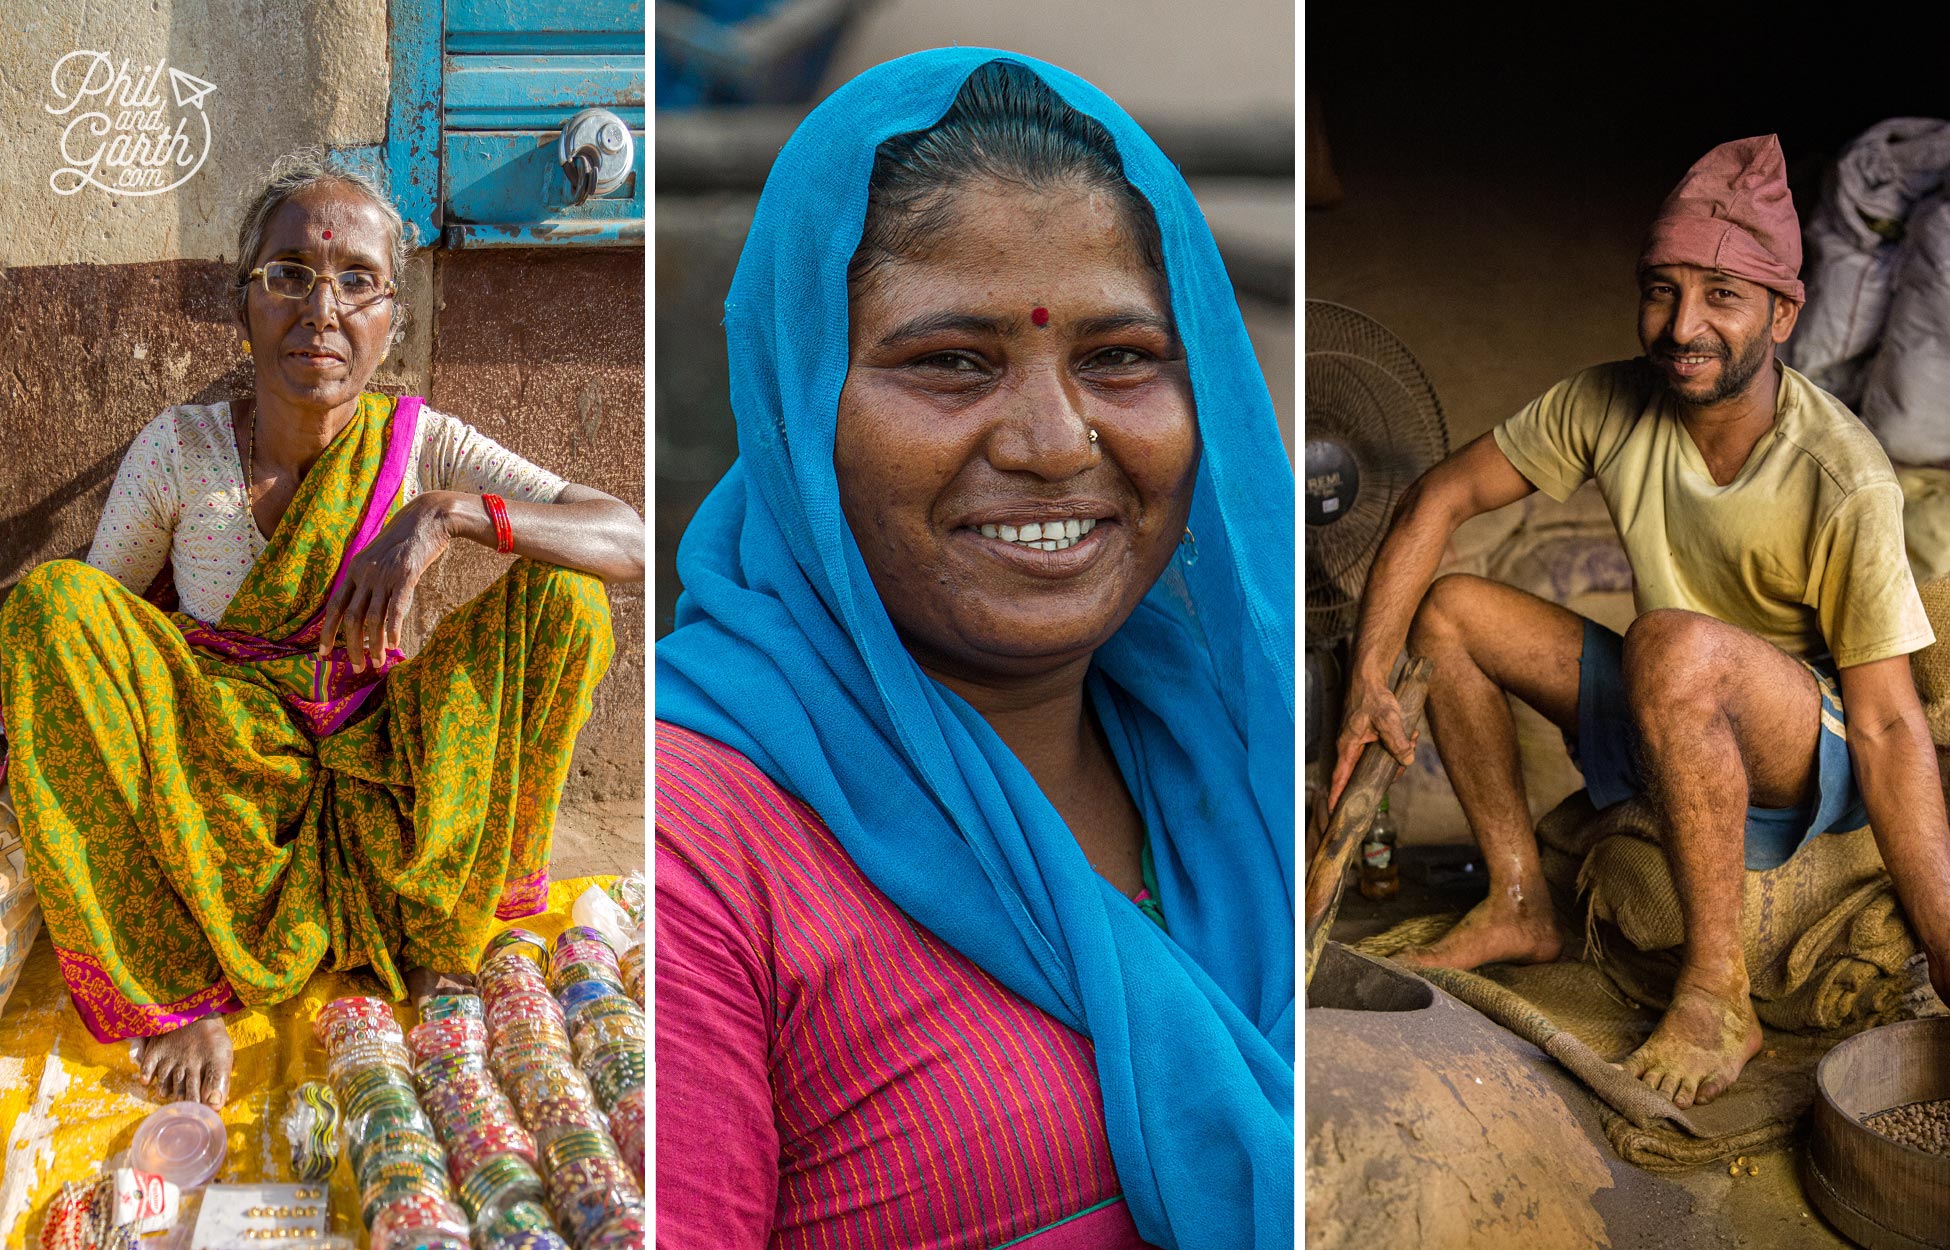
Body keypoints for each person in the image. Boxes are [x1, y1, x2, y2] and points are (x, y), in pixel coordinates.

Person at [656, 51, 1295, 1250]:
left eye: (1120, 357)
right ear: (802, 407)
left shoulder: (1241, 752)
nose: (1057, 442)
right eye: (952, 361)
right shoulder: (698, 844)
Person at [0, 150, 644, 1107]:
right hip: (222, 788)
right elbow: (91, 642)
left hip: (381, 770)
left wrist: (447, 514)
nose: (323, 309)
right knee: (47, 606)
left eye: (357, 282)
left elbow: (627, 536)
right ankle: (177, 985)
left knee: (568, 600)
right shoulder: (182, 452)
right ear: (245, 301)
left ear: (392, 317)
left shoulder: (423, 446)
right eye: (290, 275)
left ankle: (436, 933)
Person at [1330, 135, 1950, 1111]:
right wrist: (1370, 675)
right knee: (1449, 610)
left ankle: (1717, 993)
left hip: (1802, 741)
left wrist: (1946, 943)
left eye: (1722, 295)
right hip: (1673, 691)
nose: (1682, 324)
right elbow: (1436, 501)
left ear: (1784, 311)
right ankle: (1520, 898)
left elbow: (1887, 721)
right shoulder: (1607, 400)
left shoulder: (1844, 472)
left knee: (1672, 640)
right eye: (1662, 289)